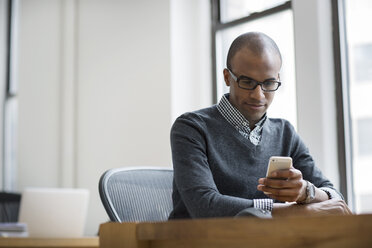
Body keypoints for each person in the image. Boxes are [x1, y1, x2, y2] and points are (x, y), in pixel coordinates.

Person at [169, 32, 352, 219]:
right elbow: (205, 206)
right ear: (227, 77)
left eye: (269, 83)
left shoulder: (285, 133)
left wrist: (307, 192)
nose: (258, 95)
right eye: (247, 82)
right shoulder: (191, 128)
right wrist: (294, 212)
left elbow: (335, 197)